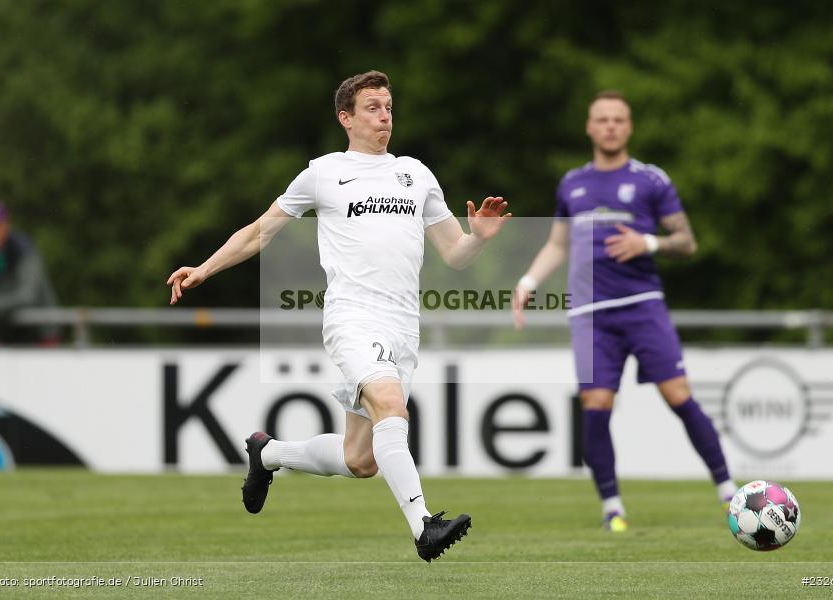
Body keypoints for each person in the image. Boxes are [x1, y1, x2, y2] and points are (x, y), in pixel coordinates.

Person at [167, 71, 511, 561]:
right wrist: (205, 268)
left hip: (402, 327)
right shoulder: (323, 172)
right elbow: (260, 232)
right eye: (372, 107)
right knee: (392, 408)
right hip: (353, 318)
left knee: (361, 459)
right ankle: (423, 526)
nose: (384, 116)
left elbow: (454, 253)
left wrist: (477, 237)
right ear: (345, 118)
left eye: (389, 106)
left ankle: (268, 454)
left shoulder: (416, 174)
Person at [513, 90, 735, 532]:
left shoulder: (651, 180)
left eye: (618, 119)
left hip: (642, 306)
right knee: (595, 404)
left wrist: (647, 242)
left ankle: (730, 492)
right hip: (591, 313)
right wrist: (528, 282)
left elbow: (687, 241)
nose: (611, 126)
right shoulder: (572, 184)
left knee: (678, 396)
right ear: (590, 127)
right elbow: (558, 243)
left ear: (628, 127)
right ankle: (612, 506)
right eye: (602, 119)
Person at [0, 197, 59, 345]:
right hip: (5, 335)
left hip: (38, 336)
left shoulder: (22, 249)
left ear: (4, 225)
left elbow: (27, 296)